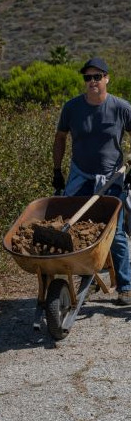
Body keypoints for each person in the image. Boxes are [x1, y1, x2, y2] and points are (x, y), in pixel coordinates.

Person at [53, 56, 131, 306]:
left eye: (97, 77)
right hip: (81, 175)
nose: (92, 81)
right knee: (75, 227)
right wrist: (57, 170)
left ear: (107, 78)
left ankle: (126, 286)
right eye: (88, 78)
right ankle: (85, 280)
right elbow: (61, 138)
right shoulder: (72, 108)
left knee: (114, 231)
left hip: (111, 177)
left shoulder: (120, 108)